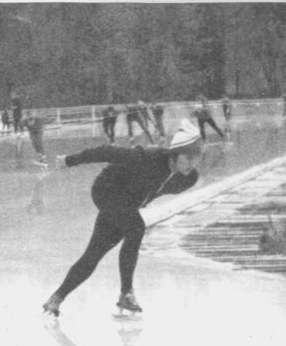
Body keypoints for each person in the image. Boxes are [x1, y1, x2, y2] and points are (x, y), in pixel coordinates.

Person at [41, 120, 203, 317]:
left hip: (126, 205)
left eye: (196, 158)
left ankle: (56, 299)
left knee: (94, 253)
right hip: (105, 190)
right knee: (136, 228)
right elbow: (107, 151)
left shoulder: (187, 178)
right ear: (174, 154)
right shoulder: (146, 158)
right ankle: (127, 293)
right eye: (188, 157)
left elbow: (153, 190)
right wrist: (70, 160)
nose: (192, 164)